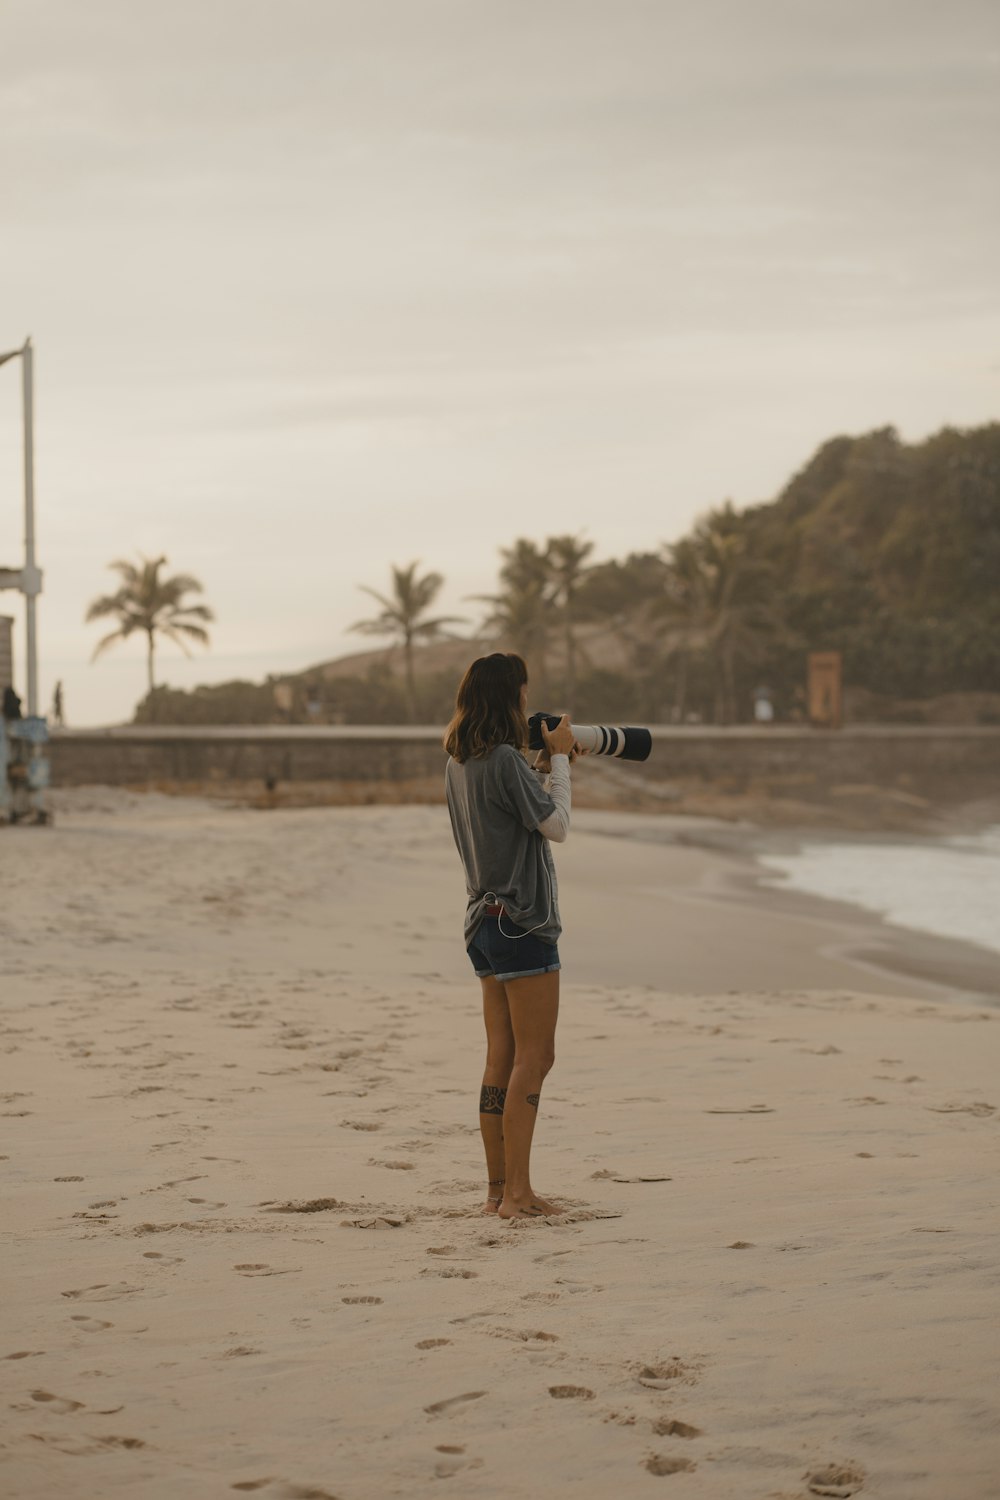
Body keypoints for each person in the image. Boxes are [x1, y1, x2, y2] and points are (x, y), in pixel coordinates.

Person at [443, 652, 579, 1220]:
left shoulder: (458, 760)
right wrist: (563, 761)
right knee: (536, 1056)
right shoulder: (503, 760)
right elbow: (557, 826)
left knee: (501, 1055)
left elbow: (513, 808)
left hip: (483, 922)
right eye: (523, 692)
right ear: (511, 697)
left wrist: (539, 764)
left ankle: (498, 1190)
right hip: (523, 923)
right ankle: (519, 1195)